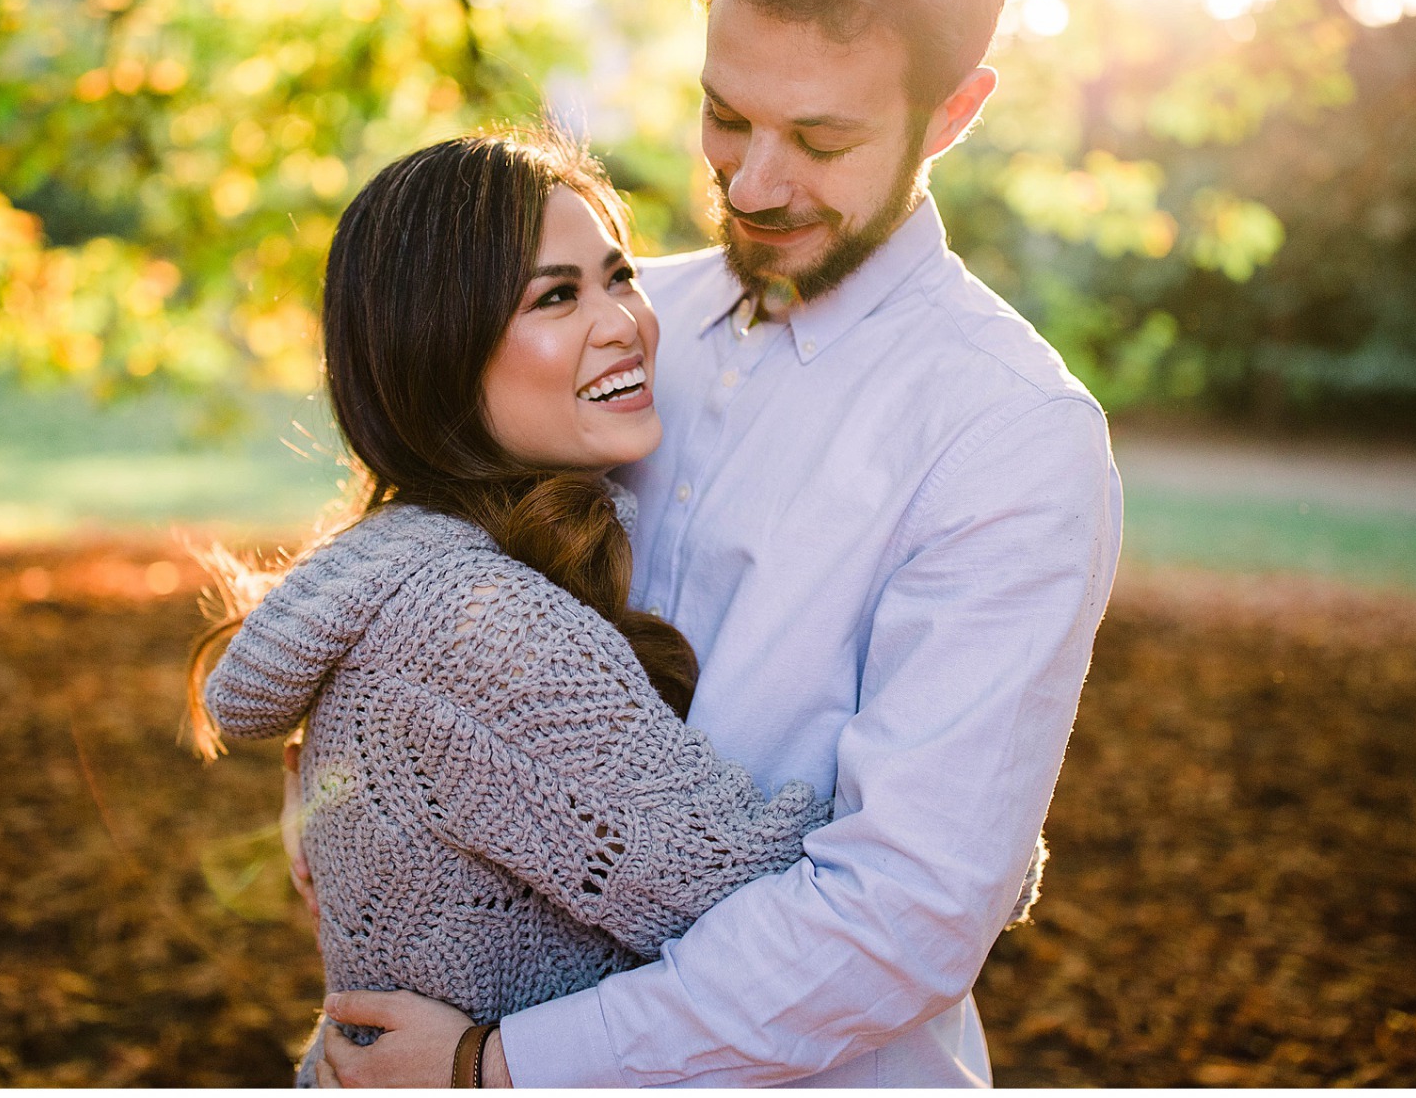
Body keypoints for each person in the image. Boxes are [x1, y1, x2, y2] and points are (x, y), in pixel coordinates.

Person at [311, 0, 1123, 1088]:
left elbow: (904, 910)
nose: (751, 182)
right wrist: (351, 796)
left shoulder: (1009, 437)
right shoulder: (618, 323)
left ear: (953, 113)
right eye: (723, 113)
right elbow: (432, 549)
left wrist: (508, 1066)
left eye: (822, 139)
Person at [189, 129, 925, 1084]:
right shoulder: (482, 626)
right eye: (555, 296)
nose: (622, 320)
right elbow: (796, 910)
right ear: (439, 354)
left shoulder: (413, 569)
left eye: (619, 276)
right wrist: (961, 822)